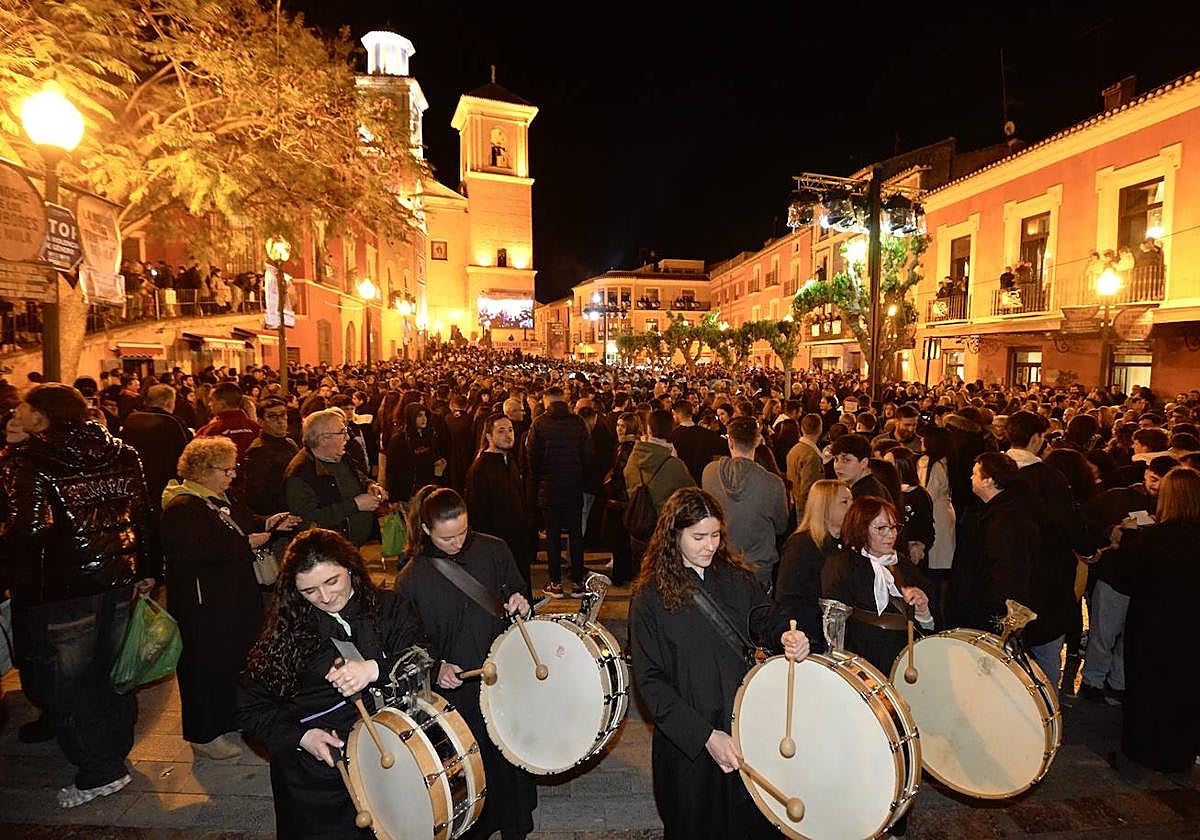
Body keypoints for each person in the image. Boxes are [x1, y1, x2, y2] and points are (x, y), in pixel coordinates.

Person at [0, 384, 159, 808]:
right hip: (117, 581)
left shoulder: (31, 462)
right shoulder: (122, 451)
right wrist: (147, 572)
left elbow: (27, 531)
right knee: (113, 672)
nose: (17, 411)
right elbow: (144, 517)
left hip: (62, 591)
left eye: (24, 406)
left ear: (42, 415)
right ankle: (113, 752)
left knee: (68, 683)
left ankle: (98, 770)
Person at [630, 487, 810, 838]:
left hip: (744, 725)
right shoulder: (649, 596)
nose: (709, 546)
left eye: (715, 535)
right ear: (673, 534)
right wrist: (704, 736)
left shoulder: (735, 577)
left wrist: (786, 635)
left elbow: (765, 618)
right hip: (690, 744)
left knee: (751, 823)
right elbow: (650, 682)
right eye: (698, 537)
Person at [237, 528, 424, 839]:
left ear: (350, 567)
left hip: (385, 762)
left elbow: (422, 657)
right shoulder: (286, 632)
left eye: (332, 581)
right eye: (309, 591)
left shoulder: (390, 608)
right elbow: (251, 708)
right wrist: (302, 737)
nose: (325, 598)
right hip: (316, 779)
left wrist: (374, 669)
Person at [395, 486, 537, 840]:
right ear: (426, 530)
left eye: (462, 532)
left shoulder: (494, 548)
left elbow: (518, 593)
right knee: (472, 761)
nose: (458, 543)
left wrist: (521, 602)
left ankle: (515, 824)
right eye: (447, 538)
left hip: (503, 673)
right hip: (458, 689)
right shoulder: (411, 578)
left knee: (510, 753)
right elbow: (408, 642)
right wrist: (436, 666)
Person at [161, 437, 298, 760]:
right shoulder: (182, 506)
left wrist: (270, 522)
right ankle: (204, 733)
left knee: (234, 662)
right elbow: (199, 551)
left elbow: (243, 521)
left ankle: (232, 717)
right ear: (201, 470)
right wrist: (248, 543)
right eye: (226, 470)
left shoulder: (220, 496)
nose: (233, 475)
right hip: (203, 605)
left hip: (233, 597)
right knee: (205, 667)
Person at [1109, 467, 1200, 774]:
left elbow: (1126, 577)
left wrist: (1126, 541)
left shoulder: (1159, 538)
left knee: (1150, 686)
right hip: (1191, 625)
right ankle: (1181, 750)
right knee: (1186, 687)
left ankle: (1146, 749)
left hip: (1155, 623)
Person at [821, 495, 934, 675]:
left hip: (906, 660)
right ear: (861, 529)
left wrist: (923, 610)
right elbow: (833, 626)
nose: (891, 534)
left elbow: (930, 625)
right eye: (881, 528)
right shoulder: (842, 565)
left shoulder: (904, 565)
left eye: (894, 527)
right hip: (862, 661)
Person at [946, 453, 1038, 632]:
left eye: (975, 473)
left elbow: (1005, 569)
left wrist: (983, 604)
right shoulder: (991, 510)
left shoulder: (1005, 519)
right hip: (977, 608)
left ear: (988, 480)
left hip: (985, 616)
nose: (971, 477)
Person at [702, 416, 789, 589]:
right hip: (757, 568)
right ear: (758, 441)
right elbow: (781, 526)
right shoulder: (772, 483)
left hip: (720, 562)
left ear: (730, 441)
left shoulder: (709, 473)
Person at [526, 386, 593, 597]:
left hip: (549, 488)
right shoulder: (578, 423)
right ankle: (578, 582)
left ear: (547, 401)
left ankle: (555, 582)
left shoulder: (539, 424)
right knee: (576, 536)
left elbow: (532, 458)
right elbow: (588, 455)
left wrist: (540, 479)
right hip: (573, 487)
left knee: (553, 536)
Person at [285, 409, 386, 547]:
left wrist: (370, 485)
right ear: (323, 439)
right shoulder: (301, 475)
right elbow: (307, 520)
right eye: (342, 432)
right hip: (330, 551)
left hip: (352, 547)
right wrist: (355, 505)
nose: (348, 437)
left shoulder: (339, 455)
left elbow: (357, 476)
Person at [774, 479, 852, 649]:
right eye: (845, 502)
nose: (852, 507)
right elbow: (788, 597)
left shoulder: (848, 544)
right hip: (810, 635)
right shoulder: (801, 545)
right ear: (825, 506)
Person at [464, 412, 533, 587]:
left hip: (517, 541)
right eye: (501, 431)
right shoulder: (480, 468)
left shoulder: (509, 460)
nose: (508, 435)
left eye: (510, 430)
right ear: (489, 436)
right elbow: (476, 513)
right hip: (497, 545)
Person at [113, 383, 193, 512]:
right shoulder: (173, 422)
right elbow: (187, 452)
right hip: (165, 482)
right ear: (168, 403)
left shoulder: (132, 419)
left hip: (137, 480)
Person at [242, 396, 300, 519]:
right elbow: (256, 495)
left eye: (283, 415)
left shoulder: (290, 443)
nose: (280, 421)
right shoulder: (259, 450)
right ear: (261, 421)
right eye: (273, 417)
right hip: (279, 517)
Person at [671, 399, 728, 483]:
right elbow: (723, 449)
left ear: (678, 414)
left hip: (685, 481)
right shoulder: (707, 434)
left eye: (674, 414)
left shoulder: (672, 436)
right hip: (705, 479)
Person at [831, 433, 893, 503]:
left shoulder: (866, 496)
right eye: (836, 459)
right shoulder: (871, 486)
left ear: (864, 462)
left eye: (846, 460)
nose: (837, 466)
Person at [785, 412, 825, 515]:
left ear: (802, 428)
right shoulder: (811, 456)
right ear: (820, 429)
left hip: (795, 501)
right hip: (806, 508)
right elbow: (808, 487)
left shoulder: (794, 449)